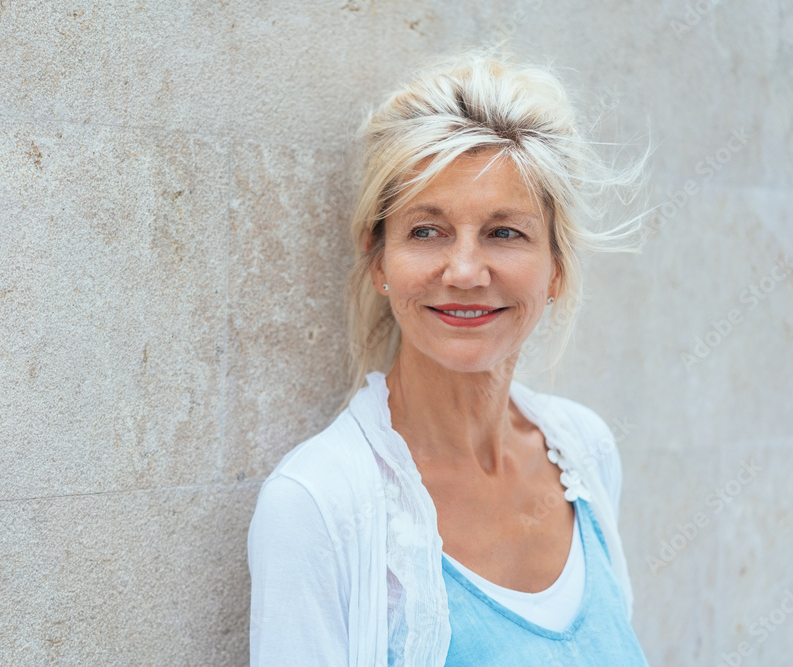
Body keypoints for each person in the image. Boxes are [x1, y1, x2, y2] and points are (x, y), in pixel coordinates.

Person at [248, 51, 650, 666]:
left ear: (557, 270)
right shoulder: (316, 505)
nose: (464, 271)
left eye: (504, 232)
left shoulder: (585, 453)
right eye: (427, 231)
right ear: (379, 260)